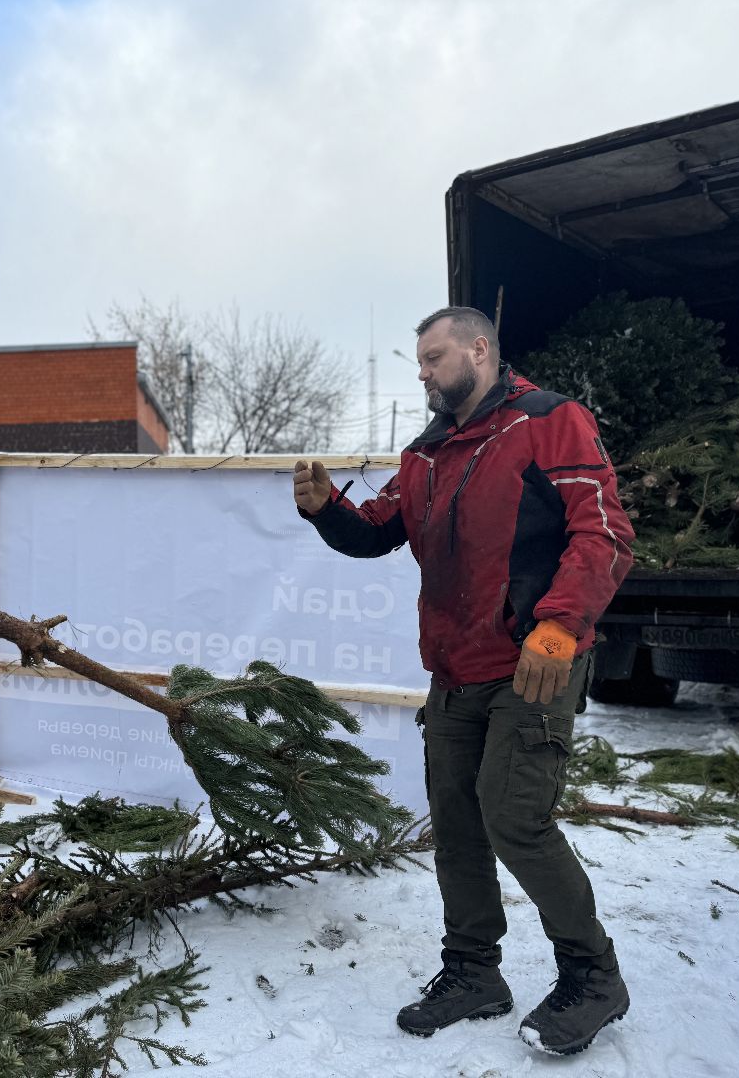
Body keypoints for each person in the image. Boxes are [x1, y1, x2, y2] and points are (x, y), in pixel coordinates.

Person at [294, 306, 635, 1056]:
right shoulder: (428, 453)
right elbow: (382, 528)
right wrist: (329, 512)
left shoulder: (551, 421)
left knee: (514, 815)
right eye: (418, 362)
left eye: (433, 357)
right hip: (453, 668)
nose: (422, 372)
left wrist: (559, 625)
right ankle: (474, 971)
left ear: (480, 350)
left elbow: (604, 531)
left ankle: (594, 973)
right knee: (456, 824)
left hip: (533, 659)